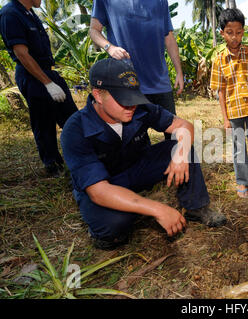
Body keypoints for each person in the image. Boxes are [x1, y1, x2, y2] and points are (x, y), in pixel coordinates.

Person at [61, 59, 227, 250]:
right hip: (105, 184)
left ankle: (196, 207)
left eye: (134, 97)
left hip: (137, 167)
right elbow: (99, 192)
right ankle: (104, 231)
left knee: (182, 145)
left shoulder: (140, 108)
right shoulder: (75, 130)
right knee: (115, 225)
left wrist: (180, 154)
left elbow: (184, 126)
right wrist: (157, 209)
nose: (132, 106)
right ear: (98, 95)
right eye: (124, 99)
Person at [0, 0, 78, 176]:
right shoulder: (10, 14)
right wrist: (47, 83)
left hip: (47, 71)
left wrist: (52, 79)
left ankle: (84, 156)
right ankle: (53, 166)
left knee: (72, 118)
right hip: (32, 75)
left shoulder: (30, 13)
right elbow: (21, 54)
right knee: (44, 122)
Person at [89, 0, 183, 140]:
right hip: (127, 84)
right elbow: (94, 30)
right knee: (134, 141)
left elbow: (168, 37)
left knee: (175, 137)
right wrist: (110, 47)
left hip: (159, 81)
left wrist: (179, 72)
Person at [210, 8, 248, 199]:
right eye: (229, 33)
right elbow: (221, 91)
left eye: (238, 32)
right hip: (234, 111)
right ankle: (242, 181)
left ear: (243, 31)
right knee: (239, 147)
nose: (234, 37)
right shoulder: (219, 60)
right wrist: (225, 119)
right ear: (222, 33)